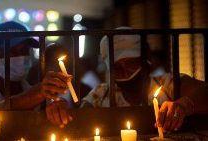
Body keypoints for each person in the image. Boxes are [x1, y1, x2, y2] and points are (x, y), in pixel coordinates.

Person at [47, 27, 208, 132]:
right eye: (117, 68)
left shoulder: (168, 84)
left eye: (131, 63)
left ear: (146, 57)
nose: (125, 73)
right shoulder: (101, 94)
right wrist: (63, 110)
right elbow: (80, 119)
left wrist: (184, 105)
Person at [0, 21, 71, 112]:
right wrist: (38, 94)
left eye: (25, 50)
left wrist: (57, 107)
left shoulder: (37, 93)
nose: (22, 57)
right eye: (12, 51)